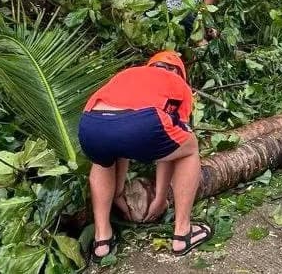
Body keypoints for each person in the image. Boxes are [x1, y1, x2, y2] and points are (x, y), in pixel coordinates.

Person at [77, 51, 212, 261]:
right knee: (189, 148)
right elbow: (172, 148)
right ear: (179, 72)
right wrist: (160, 198)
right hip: (140, 125)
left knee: (102, 159)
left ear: (150, 66)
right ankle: (183, 233)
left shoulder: (129, 74)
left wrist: (118, 193)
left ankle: (102, 239)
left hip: (91, 125)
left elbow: (118, 137)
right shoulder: (177, 83)